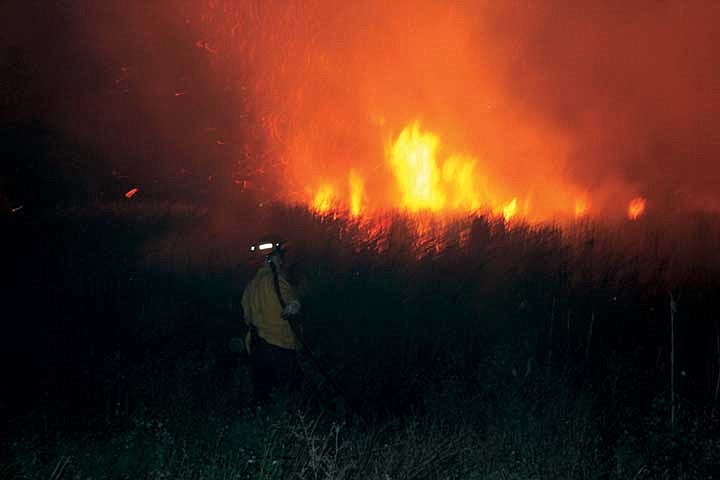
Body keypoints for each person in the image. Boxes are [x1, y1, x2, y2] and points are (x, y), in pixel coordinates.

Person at [241, 239, 302, 404]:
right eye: (278, 257)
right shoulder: (277, 279)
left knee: (262, 397)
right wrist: (295, 304)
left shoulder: (250, 286)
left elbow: (247, 317)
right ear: (270, 260)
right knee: (285, 396)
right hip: (281, 346)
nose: (281, 261)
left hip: (257, 349)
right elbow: (291, 301)